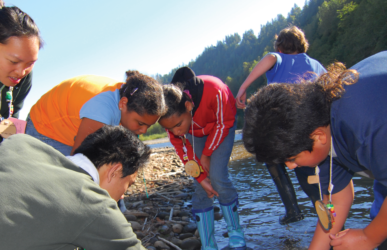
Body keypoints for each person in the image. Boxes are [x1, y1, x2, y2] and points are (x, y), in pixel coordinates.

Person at [243, 51, 387, 250]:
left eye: (292, 158)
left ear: (318, 136)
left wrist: (368, 237)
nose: (291, 167)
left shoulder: (365, 127)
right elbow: (337, 201)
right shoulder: (324, 130)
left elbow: (370, 236)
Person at [26, 71, 165, 212]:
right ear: (123, 104)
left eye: (148, 126)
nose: (144, 130)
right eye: (140, 123)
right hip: (46, 128)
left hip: (77, 126)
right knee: (73, 182)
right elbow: (79, 163)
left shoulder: (131, 99)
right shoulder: (102, 110)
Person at [0, 125, 150, 249]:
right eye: (128, 184)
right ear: (114, 172)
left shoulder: (19, 143)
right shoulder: (94, 204)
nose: (123, 195)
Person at [236, 26, 326, 224]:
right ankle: (330, 218)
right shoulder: (315, 64)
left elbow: (269, 58)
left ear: (280, 46)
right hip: (308, 125)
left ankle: (293, 210)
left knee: (273, 159)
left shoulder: (279, 58)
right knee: (309, 173)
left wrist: (244, 87)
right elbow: (329, 85)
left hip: (281, 125)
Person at [159, 67, 246, 250]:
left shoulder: (214, 89)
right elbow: (184, 151)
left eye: (177, 125)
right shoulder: (172, 119)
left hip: (222, 125)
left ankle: (236, 235)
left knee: (218, 176)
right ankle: (208, 244)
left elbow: (224, 123)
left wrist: (206, 155)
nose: (175, 132)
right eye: (170, 129)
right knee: (201, 185)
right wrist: (200, 177)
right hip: (195, 132)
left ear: (188, 106)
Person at [0, 0, 42, 138]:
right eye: (14, 61)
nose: (21, 72)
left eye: (30, 63)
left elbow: (12, 114)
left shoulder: (23, 78)